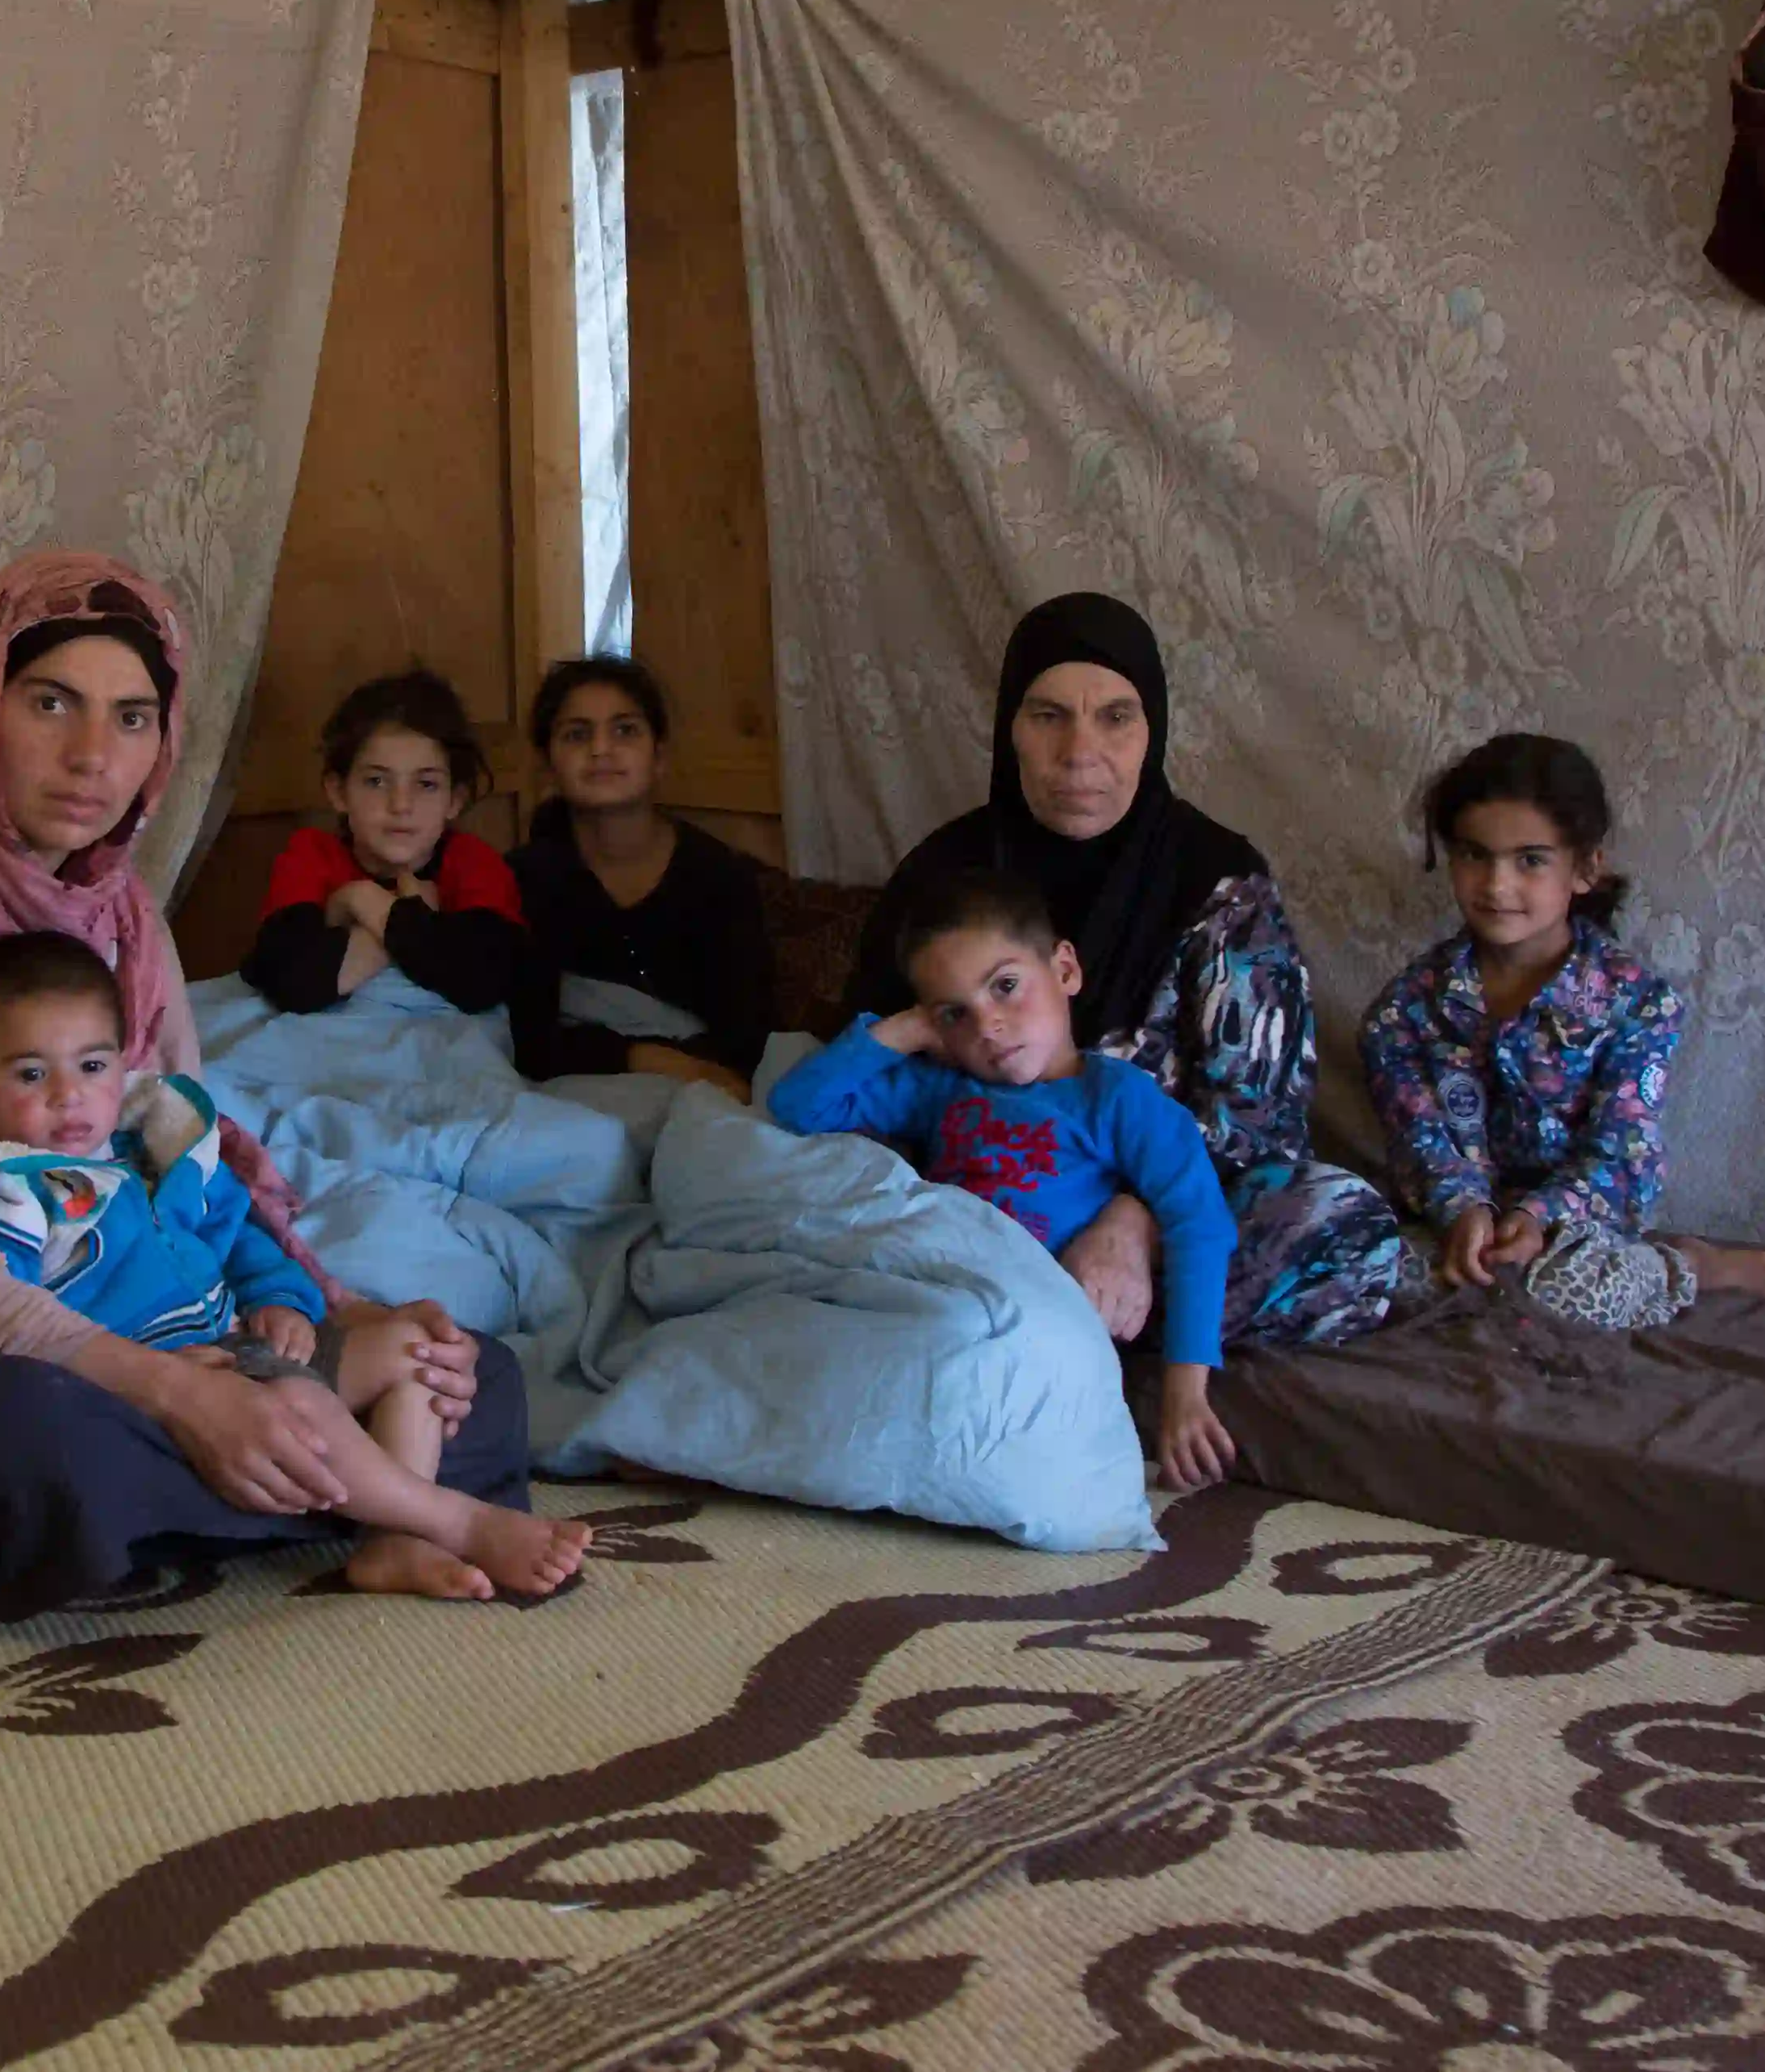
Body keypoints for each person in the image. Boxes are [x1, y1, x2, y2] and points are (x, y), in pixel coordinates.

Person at [0, 551, 553, 1619]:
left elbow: (181, 1165)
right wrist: (181, 1391)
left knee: (467, 1367)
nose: (94, 755)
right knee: (29, 1446)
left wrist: (330, 1320)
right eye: (51, 701)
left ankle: (306, 1483)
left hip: (116, 1323)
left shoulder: (119, 914)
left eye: (134, 716)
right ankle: (366, 1489)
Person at [0, 930, 584, 1599]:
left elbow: (244, 1237)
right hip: (144, 1386)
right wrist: (148, 1374)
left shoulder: (158, 1151)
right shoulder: (14, 1193)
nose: (68, 1095)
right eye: (31, 1073)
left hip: (243, 1346)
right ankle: (457, 1519)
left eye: (93, 1066)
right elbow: (10, 1319)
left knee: (417, 1347)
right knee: (298, 1401)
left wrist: (281, 1298)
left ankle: (393, 1541)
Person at [849, 591, 1400, 1359]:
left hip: (1163, 1214)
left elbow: (1260, 1120)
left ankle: (1047, 1335)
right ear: (1010, 727)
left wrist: (1133, 1220)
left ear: (1154, 732)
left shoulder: (1219, 882)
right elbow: (867, 1083)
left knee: (1343, 1221)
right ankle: (1074, 1339)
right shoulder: (942, 878)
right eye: (1048, 716)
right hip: (973, 1207)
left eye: (1115, 716)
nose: (1081, 751)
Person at [773, 867, 1238, 1490]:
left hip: (1033, 1318)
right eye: (955, 1012)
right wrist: (906, 1028)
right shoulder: (940, 1089)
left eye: (1006, 986)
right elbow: (798, 1106)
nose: (988, 1025)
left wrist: (1187, 1389)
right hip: (933, 1287)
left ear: (1065, 970)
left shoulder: (1118, 1098)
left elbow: (1199, 1222)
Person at [1360, 732, 1765, 1326]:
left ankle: (1690, 1266)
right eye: (1475, 855)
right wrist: (1463, 1211)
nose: (1497, 885)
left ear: (1584, 868)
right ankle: (1486, 1285)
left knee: (1566, 1292)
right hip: (1450, 1229)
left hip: (1576, 1232)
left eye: (1530, 860)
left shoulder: (1636, 1003)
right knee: (1355, 1264)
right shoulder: (1403, 1011)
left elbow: (1623, 1148)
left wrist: (1538, 1217)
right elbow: (1419, 1141)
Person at [507, 654, 774, 1094]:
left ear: (659, 757)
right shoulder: (523, 880)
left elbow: (748, 1037)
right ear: (548, 766)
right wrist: (647, 1058)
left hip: (709, 1098)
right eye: (576, 734)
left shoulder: (720, 878)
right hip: (575, 1097)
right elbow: (526, 1038)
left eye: (625, 730)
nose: (600, 749)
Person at [240, 667, 536, 1019]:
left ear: (454, 800)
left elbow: (482, 983)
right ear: (338, 791)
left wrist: (364, 908)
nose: (400, 805)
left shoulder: (474, 863)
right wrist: (400, 910)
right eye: (377, 781)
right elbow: (290, 983)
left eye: (426, 784)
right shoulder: (311, 855)